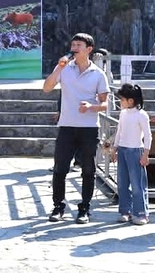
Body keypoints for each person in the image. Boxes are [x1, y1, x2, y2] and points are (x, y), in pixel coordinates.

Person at [43, 33, 110, 224]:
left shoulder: (98, 74)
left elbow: (106, 104)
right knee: (60, 169)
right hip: (66, 126)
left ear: (89, 49)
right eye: (72, 44)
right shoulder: (64, 68)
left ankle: (85, 209)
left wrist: (92, 107)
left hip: (89, 128)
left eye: (78, 44)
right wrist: (58, 68)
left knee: (88, 170)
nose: (74, 47)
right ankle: (58, 207)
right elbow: (47, 88)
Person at [111, 84, 152, 225]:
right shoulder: (123, 114)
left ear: (131, 100)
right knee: (122, 183)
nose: (120, 102)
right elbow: (119, 131)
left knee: (137, 184)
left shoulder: (142, 115)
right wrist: (115, 148)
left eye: (122, 99)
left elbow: (148, 136)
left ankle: (141, 212)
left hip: (136, 151)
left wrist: (145, 154)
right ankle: (125, 210)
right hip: (123, 149)